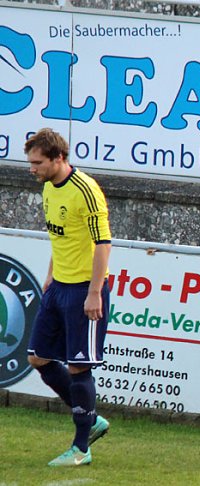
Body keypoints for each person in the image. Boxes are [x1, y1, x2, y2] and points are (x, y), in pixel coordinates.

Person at [24, 128, 112, 466]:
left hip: (83, 290)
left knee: (78, 366)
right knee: (38, 357)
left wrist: (94, 292)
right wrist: (49, 276)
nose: (32, 168)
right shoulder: (48, 187)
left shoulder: (86, 190)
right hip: (58, 286)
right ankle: (91, 419)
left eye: (38, 162)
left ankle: (81, 448)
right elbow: (58, 237)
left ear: (58, 158)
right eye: (30, 162)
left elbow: (103, 244)